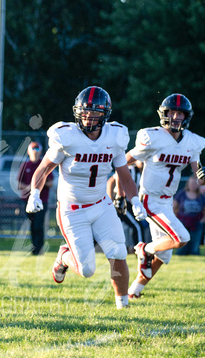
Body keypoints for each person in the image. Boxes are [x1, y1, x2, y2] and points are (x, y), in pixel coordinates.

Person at [26, 86, 146, 310]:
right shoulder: (67, 136)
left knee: (119, 251)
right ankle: (63, 257)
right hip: (72, 209)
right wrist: (34, 193)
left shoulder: (115, 136)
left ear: (105, 114)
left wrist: (135, 200)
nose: (89, 117)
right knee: (87, 269)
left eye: (94, 112)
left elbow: (124, 175)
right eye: (84, 112)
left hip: (102, 205)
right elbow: (43, 169)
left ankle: (123, 305)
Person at [125, 93, 205, 299]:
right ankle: (145, 248)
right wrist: (121, 189)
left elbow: (198, 175)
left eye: (180, 113)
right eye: (172, 112)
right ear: (164, 113)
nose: (176, 117)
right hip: (150, 199)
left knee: (164, 254)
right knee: (181, 238)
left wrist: (202, 177)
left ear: (186, 116)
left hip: (167, 201)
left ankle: (135, 291)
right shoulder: (152, 136)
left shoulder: (192, 141)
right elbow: (124, 161)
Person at [17, 141, 53, 255]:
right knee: (32, 225)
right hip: (27, 200)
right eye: (33, 149)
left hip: (42, 200)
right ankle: (34, 248)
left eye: (37, 149)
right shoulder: (25, 165)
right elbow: (19, 184)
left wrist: (39, 185)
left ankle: (40, 248)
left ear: (41, 151)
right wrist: (30, 187)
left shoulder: (44, 164)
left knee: (39, 224)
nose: (35, 152)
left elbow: (51, 182)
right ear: (28, 151)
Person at [173, 177, 205, 255]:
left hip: (196, 222)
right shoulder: (181, 194)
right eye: (191, 183)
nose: (193, 185)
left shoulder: (201, 196)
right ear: (188, 184)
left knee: (195, 241)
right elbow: (174, 206)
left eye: (195, 184)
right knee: (183, 240)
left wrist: (202, 220)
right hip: (183, 221)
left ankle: (194, 253)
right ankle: (181, 253)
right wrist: (175, 218)